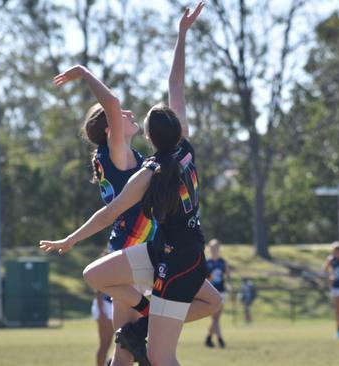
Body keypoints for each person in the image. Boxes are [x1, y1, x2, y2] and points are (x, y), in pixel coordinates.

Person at [40, 3, 222, 366]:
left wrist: (70, 240)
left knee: (149, 349)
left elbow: (109, 213)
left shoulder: (150, 168)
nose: (130, 115)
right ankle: (148, 320)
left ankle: (148, 321)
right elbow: (173, 85)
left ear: (153, 137)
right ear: (177, 129)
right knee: (141, 349)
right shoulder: (177, 152)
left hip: (167, 253)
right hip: (159, 250)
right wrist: (182, 33)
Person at [54, 49, 157, 366]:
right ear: (110, 130)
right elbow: (111, 103)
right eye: (120, 115)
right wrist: (84, 73)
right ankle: (148, 311)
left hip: (128, 243)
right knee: (135, 338)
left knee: (124, 350)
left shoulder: (121, 156)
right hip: (131, 245)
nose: (126, 112)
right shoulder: (117, 154)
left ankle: (145, 315)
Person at [205, 239, 231, 348]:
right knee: (215, 318)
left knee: (216, 318)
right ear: (209, 249)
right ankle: (220, 340)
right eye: (212, 248)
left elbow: (228, 277)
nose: (214, 250)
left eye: (216, 248)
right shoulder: (207, 262)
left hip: (221, 292)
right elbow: (204, 278)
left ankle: (209, 339)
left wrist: (230, 285)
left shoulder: (223, 262)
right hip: (211, 293)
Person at [92, 290, 114, 366]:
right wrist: (102, 312)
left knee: (108, 343)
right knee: (104, 344)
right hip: (105, 306)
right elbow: (98, 291)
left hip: (109, 306)